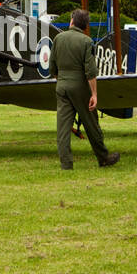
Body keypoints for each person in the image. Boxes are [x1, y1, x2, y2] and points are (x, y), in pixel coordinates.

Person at [49, 9, 120, 170]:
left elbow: (52, 66)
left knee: (63, 128)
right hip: (80, 87)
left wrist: (60, 81)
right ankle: (103, 157)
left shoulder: (58, 38)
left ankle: (66, 163)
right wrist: (94, 94)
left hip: (61, 86)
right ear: (85, 26)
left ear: (71, 22)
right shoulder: (86, 42)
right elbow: (91, 71)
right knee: (91, 124)